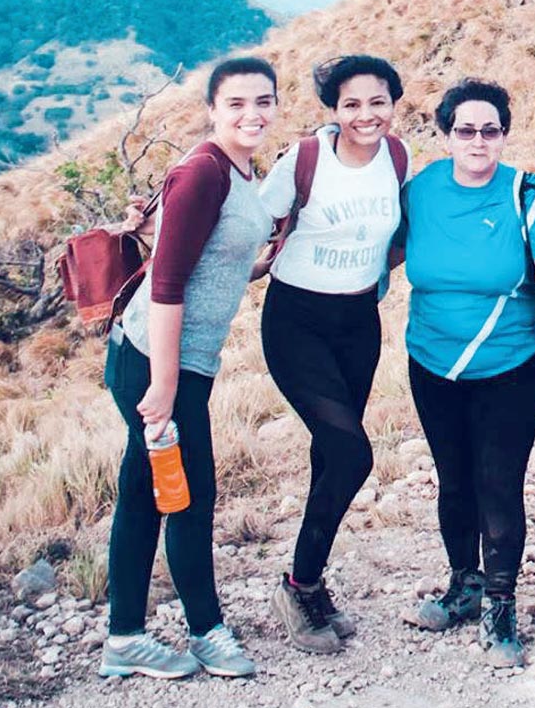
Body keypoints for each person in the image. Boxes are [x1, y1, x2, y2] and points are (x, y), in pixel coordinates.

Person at [401, 78, 535, 668]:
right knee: (452, 479)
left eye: (490, 130)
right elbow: (383, 248)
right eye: (465, 130)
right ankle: (465, 585)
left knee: (497, 482)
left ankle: (501, 604)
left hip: (508, 365)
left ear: (504, 134)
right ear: (447, 134)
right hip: (431, 360)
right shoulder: (422, 190)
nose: (478, 141)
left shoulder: (524, 192)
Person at [99, 57, 277, 679]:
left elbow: (208, 259)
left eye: (263, 101)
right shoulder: (203, 171)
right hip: (155, 360)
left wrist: (258, 266)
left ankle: (125, 637)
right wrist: (166, 385)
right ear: (212, 109)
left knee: (145, 496)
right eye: (236, 104)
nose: (252, 114)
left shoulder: (236, 167)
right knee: (189, 495)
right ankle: (206, 632)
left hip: (173, 359)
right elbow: (169, 283)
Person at [261, 55, 410, 654]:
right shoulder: (304, 160)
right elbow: (247, 221)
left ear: (393, 103)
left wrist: (380, 271)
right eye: (351, 104)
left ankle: (310, 582)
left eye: (377, 101)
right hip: (296, 321)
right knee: (352, 453)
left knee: (331, 453)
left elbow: (399, 235)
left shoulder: (398, 159)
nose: (365, 114)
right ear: (333, 110)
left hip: (358, 321)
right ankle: (298, 585)